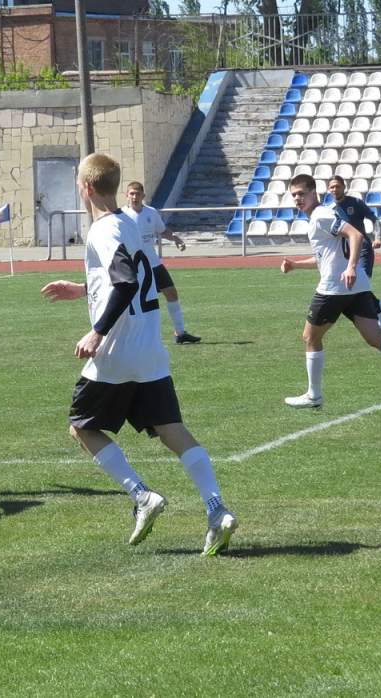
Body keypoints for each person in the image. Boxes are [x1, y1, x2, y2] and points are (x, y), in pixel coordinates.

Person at [41, 153, 237, 556]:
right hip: (149, 348)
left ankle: (142, 495)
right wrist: (84, 289)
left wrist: (96, 331)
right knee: (172, 430)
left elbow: (127, 282)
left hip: (116, 351)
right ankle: (216, 508)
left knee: (81, 428)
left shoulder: (102, 229)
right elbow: (138, 276)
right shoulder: (131, 223)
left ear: (86, 188)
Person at [280, 174, 381, 414]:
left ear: (313, 193)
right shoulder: (322, 216)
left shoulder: (320, 216)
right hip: (357, 285)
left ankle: (314, 395)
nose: (298, 198)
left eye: (302, 194)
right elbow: (326, 258)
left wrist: (350, 267)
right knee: (375, 337)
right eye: (294, 195)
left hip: (335, 287)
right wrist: (295, 265)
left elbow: (356, 235)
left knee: (310, 337)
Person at [123, 181, 201, 344]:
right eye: (131, 194)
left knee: (171, 292)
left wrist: (175, 238)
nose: (135, 197)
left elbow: (162, 230)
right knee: (132, 301)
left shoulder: (151, 213)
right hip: (134, 267)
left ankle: (180, 333)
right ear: (126, 195)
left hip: (153, 264)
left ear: (143, 195)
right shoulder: (121, 216)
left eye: (137, 194)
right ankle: (128, 336)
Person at [326, 175, 381, 330]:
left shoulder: (355, 203)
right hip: (346, 253)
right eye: (332, 187)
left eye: (337, 186)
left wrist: (377, 237)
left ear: (344, 187)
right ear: (328, 189)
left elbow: (375, 220)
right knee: (355, 286)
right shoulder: (329, 210)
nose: (335, 189)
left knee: (360, 284)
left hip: (363, 249)